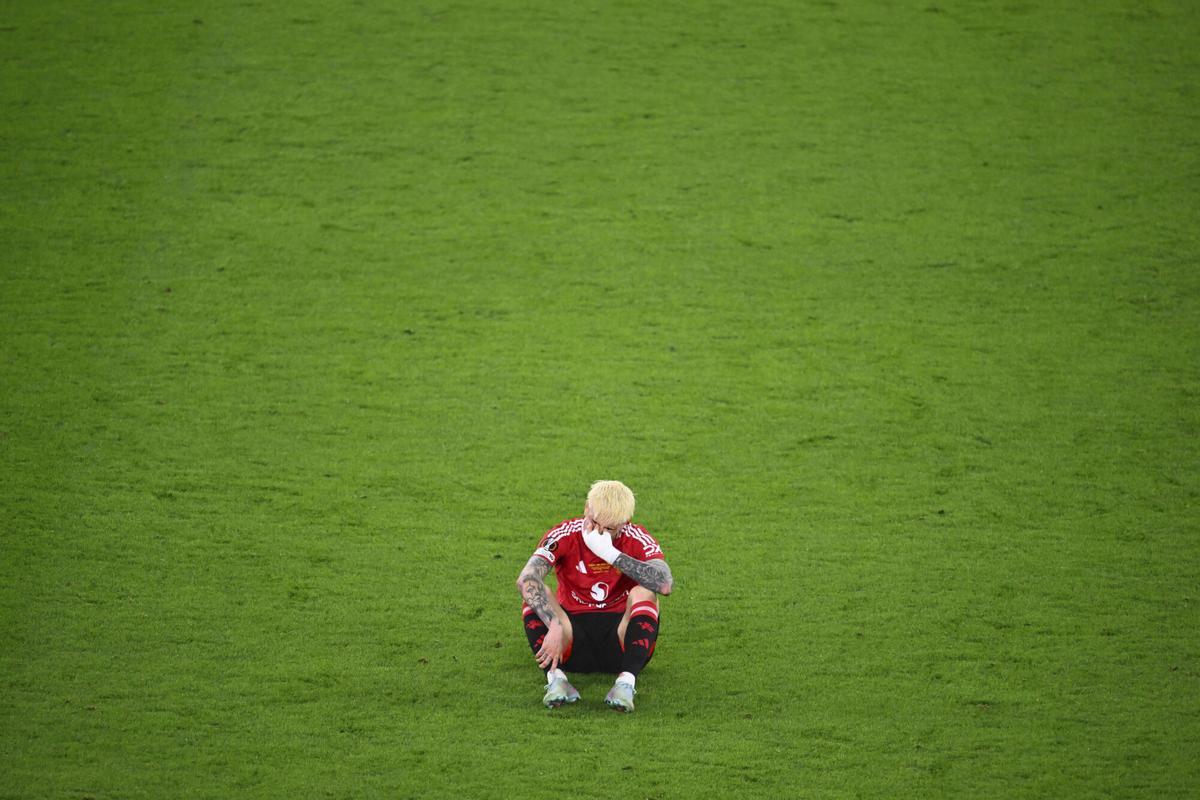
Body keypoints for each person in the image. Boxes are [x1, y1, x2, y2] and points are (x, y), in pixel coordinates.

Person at [516, 480, 674, 712]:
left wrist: (610, 554)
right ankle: (556, 680)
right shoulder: (564, 534)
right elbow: (526, 579)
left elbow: (664, 583)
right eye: (594, 522)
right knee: (536, 594)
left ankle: (626, 683)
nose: (598, 531)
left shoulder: (636, 537)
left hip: (621, 644)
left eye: (609, 528)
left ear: (624, 523)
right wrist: (554, 625)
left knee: (645, 593)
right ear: (586, 508)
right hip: (571, 640)